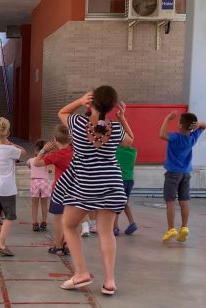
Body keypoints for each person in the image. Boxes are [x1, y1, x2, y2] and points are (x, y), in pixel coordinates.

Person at [54, 86, 134, 296]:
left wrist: (80, 101)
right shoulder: (116, 129)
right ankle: (109, 281)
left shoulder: (78, 123)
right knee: (106, 232)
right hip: (111, 183)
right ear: (112, 106)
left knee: (69, 225)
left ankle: (81, 272)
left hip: (85, 183)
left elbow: (62, 112)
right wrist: (122, 118)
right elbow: (130, 140)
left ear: (92, 103)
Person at [159, 111, 206, 242]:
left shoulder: (175, 137)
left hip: (173, 173)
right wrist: (198, 125)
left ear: (180, 125)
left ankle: (171, 229)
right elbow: (204, 126)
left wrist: (167, 119)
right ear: (193, 126)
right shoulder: (192, 138)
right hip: (186, 173)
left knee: (170, 202)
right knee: (184, 201)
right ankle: (184, 227)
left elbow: (162, 134)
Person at [0, 117, 26, 257]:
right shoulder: (11, 150)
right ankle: (1, 242)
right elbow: (24, 152)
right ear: (8, 132)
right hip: (7, 188)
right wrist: (11, 143)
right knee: (9, 216)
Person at [34, 125, 74, 255]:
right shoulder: (75, 152)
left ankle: (58, 246)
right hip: (73, 189)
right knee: (70, 220)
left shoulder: (56, 155)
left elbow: (36, 163)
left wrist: (43, 150)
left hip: (59, 189)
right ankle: (65, 243)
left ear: (55, 140)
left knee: (58, 219)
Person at [114, 146, 138, 236]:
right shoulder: (133, 152)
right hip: (130, 180)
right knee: (124, 203)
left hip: (120, 180)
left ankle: (115, 227)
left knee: (116, 203)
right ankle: (132, 223)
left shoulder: (116, 150)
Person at [26, 140, 50, 232]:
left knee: (34, 204)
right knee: (44, 204)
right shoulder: (45, 161)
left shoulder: (31, 160)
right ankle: (44, 222)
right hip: (44, 182)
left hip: (35, 182)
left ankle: (35, 222)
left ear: (36, 151)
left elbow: (29, 165)